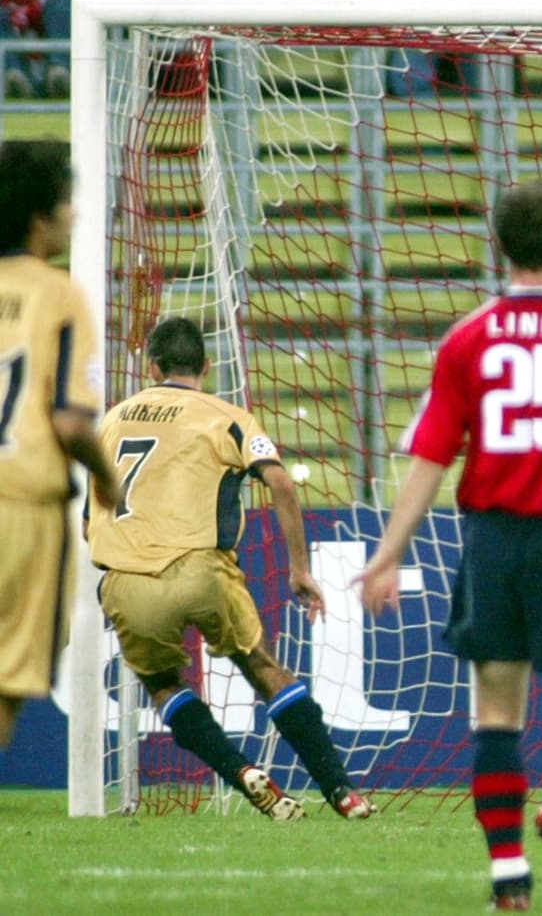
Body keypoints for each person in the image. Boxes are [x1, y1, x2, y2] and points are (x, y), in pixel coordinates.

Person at [355, 180, 542, 910]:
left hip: (493, 539)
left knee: (495, 712)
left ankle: (509, 878)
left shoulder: (468, 338)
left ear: (499, 243)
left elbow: (430, 455)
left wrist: (389, 553)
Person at [85, 316, 374, 822]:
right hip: (200, 567)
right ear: (207, 365)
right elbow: (281, 485)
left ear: (151, 366)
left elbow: (92, 515)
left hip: (127, 578)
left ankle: (242, 773)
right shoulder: (226, 415)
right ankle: (342, 792)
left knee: (163, 684)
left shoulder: (111, 420)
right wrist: (299, 571)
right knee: (262, 667)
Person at [0, 140, 122, 757]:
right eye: (67, 202)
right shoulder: (58, 294)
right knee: (4, 687)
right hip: (22, 504)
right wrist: (107, 479)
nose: (76, 214)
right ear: (38, 215)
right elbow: (71, 424)